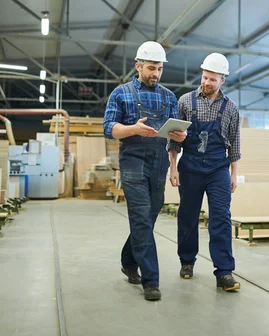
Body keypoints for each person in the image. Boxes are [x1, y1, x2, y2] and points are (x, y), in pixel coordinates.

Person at [103, 41, 186, 301]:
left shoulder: (168, 97)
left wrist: (180, 137)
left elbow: (176, 135)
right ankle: (151, 280)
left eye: (159, 69)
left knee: (149, 215)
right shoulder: (121, 93)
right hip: (133, 159)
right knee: (140, 216)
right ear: (138, 66)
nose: (156, 74)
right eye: (151, 68)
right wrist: (133, 129)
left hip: (159, 161)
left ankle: (128, 260)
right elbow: (109, 128)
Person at [168, 52, 241, 291]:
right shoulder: (185, 102)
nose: (207, 82)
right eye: (205, 77)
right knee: (188, 215)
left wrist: (233, 173)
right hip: (190, 167)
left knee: (221, 216)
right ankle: (187, 261)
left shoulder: (231, 108)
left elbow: (235, 142)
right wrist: (173, 167)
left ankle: (224, 272)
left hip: (218, 167)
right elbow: (174, 139)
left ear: (223, 81)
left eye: (212, 79)